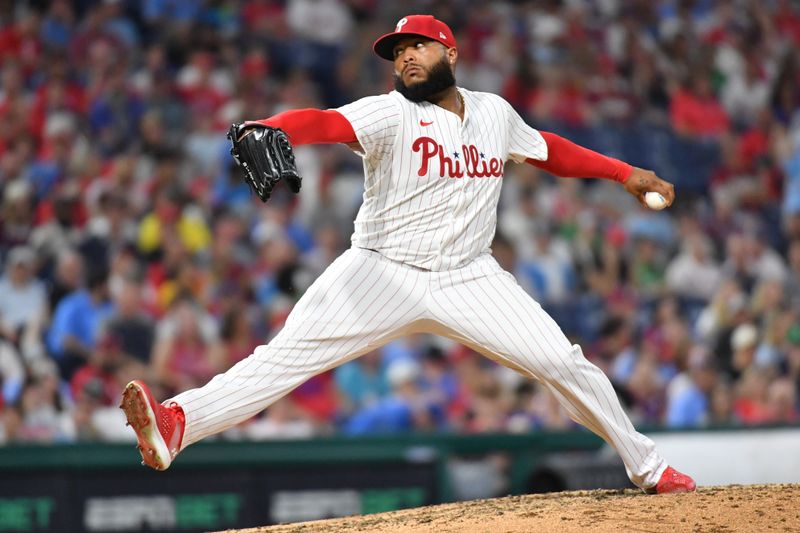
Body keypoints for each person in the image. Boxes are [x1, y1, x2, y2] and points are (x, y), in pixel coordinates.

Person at [120, 15, 695, 494]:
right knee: (280, 360)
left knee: (564, 363)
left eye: (416, 46)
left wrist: (623, 171)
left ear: (450, 50)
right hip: (381, 269)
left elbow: (550, 151)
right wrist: (269, 125)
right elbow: (324, 121)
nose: (405, 60)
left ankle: (647, 466)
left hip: (470, 276)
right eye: (397, 53)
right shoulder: (392, 112)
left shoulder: (494, 112)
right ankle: (178, 423)